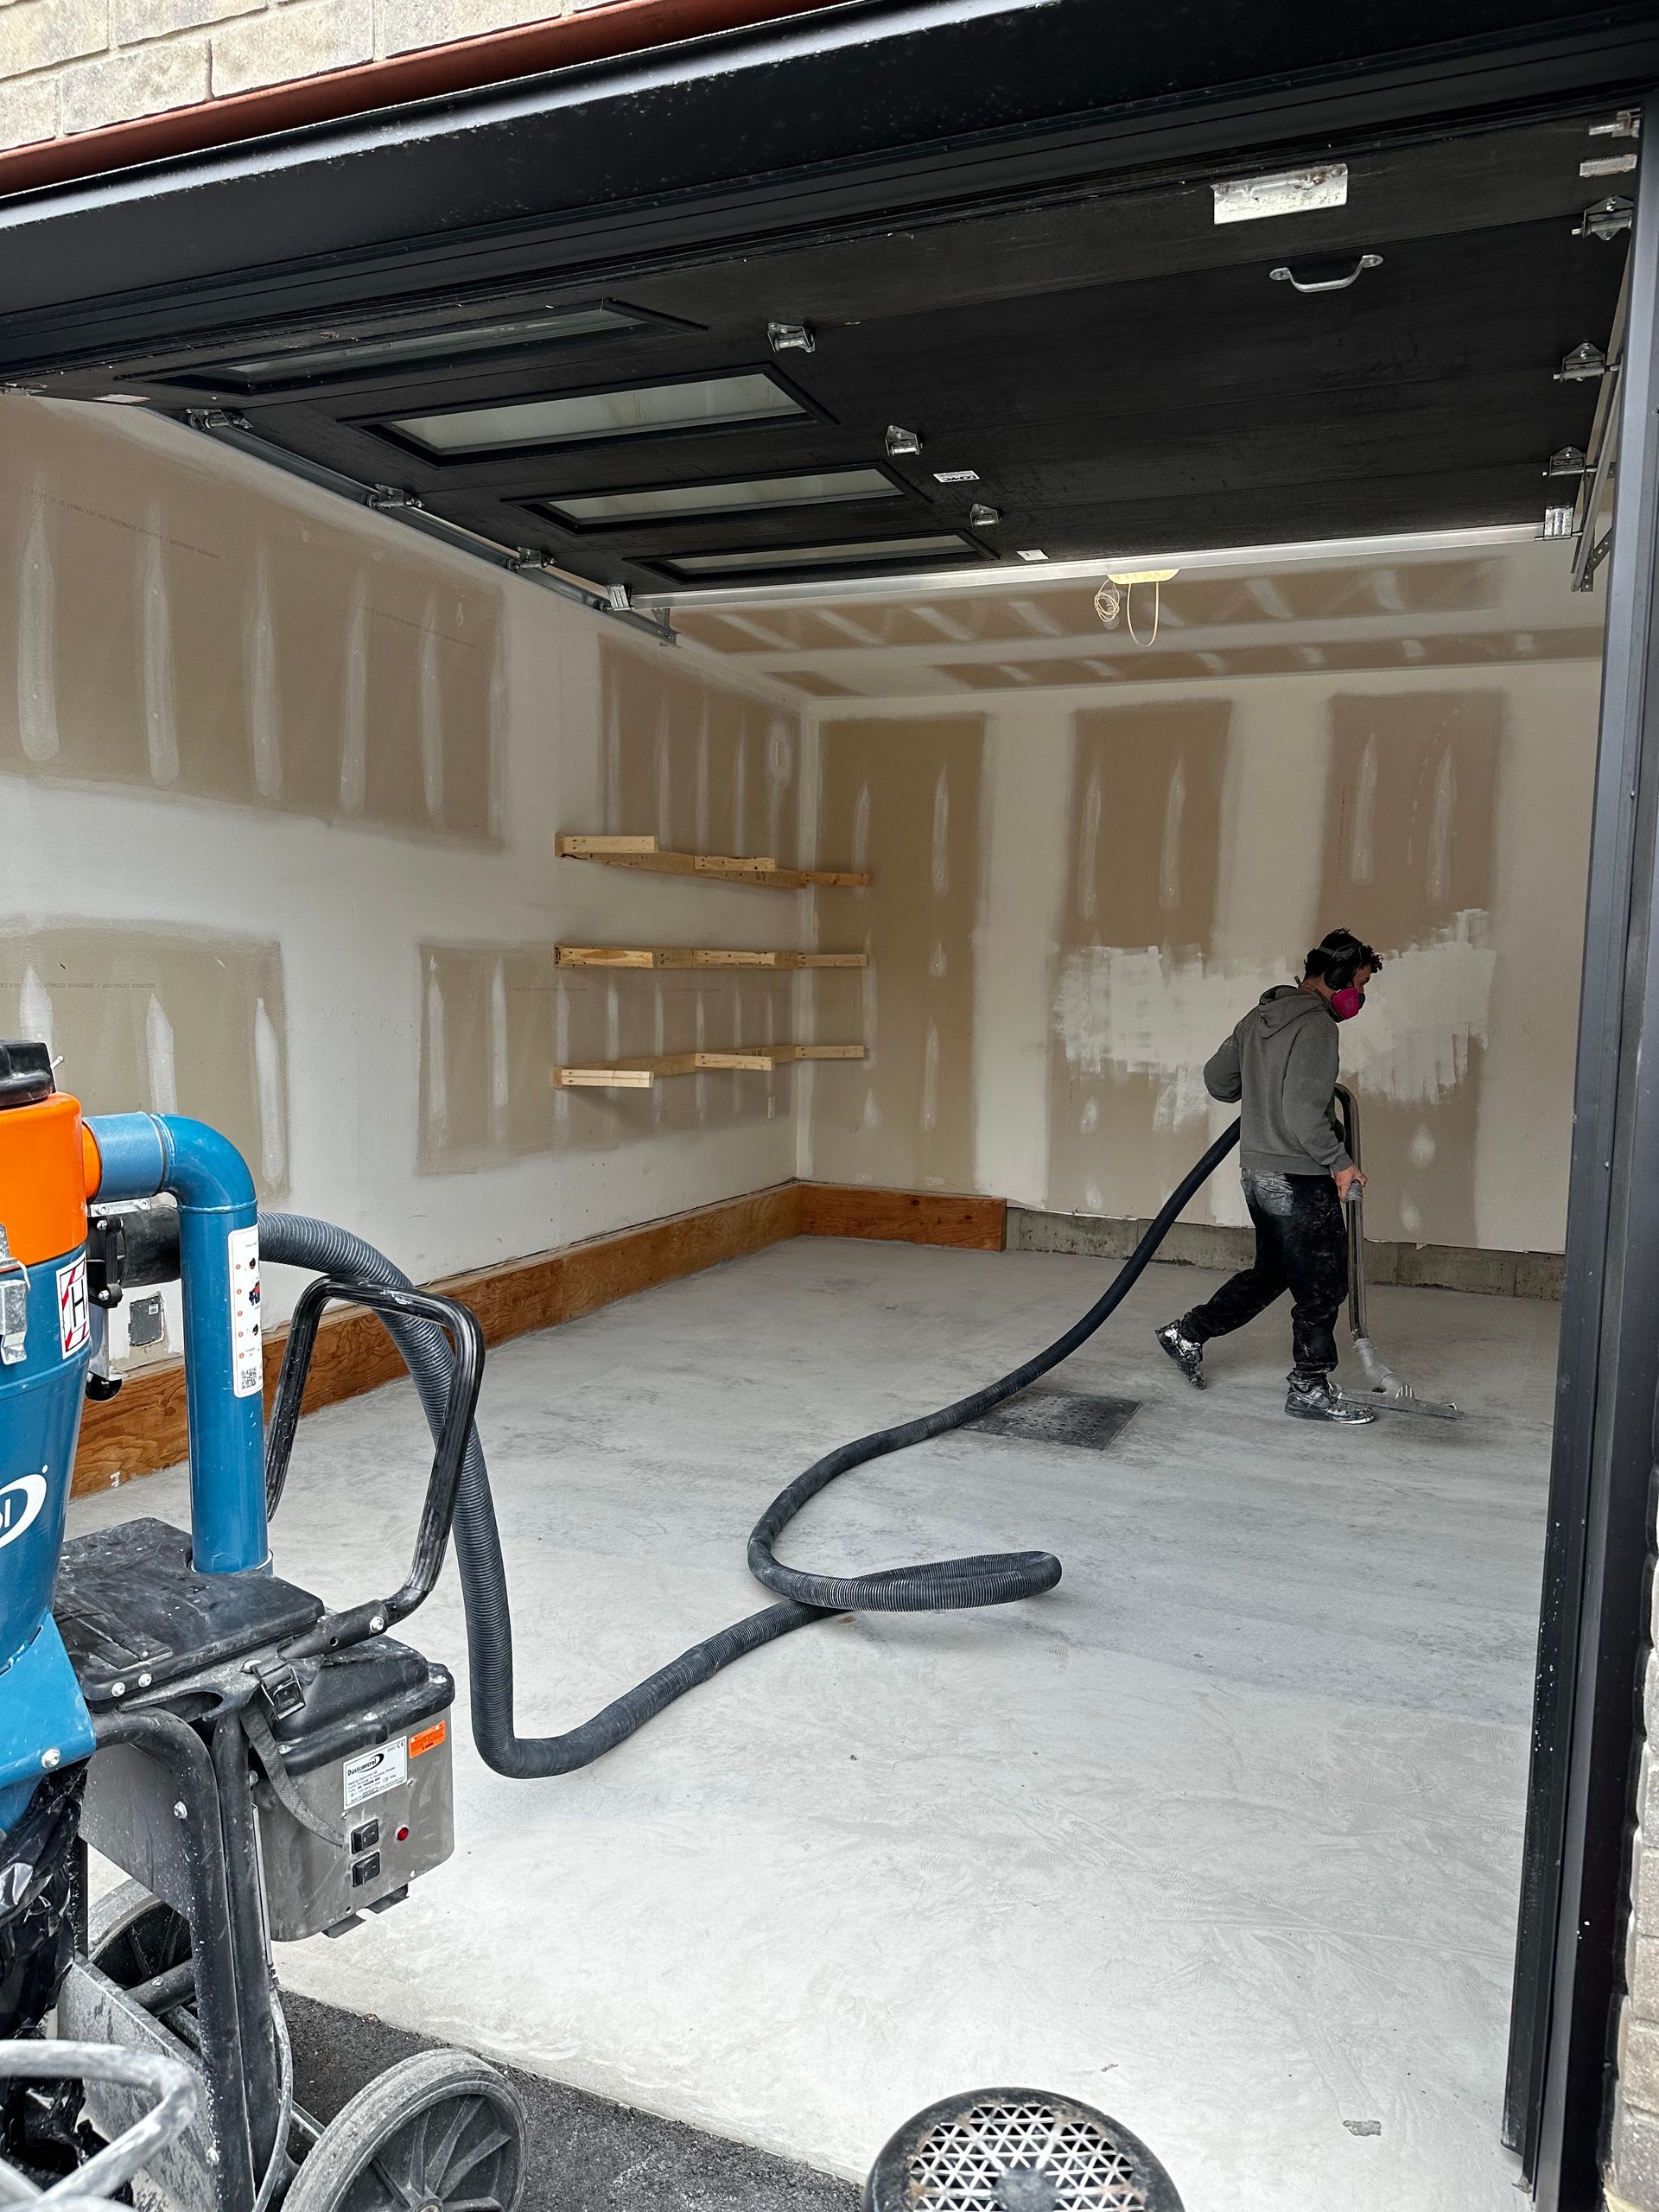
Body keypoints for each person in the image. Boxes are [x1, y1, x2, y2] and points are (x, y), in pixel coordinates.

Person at [1155, 928, 1382, 1425]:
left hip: (1258, 1174)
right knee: (1323, 1282)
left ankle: (1187, 1334)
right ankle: (1309, 1387)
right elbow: (1302, 1112)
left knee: (1274, 1273)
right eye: (1360, 984)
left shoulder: (1259, 1017)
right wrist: (1340, 1161)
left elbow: (1218, 1081)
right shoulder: (1318, 1026)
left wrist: (1260, 1087)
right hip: (1298, 1176)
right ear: (1336, 976)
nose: (1360, 996)